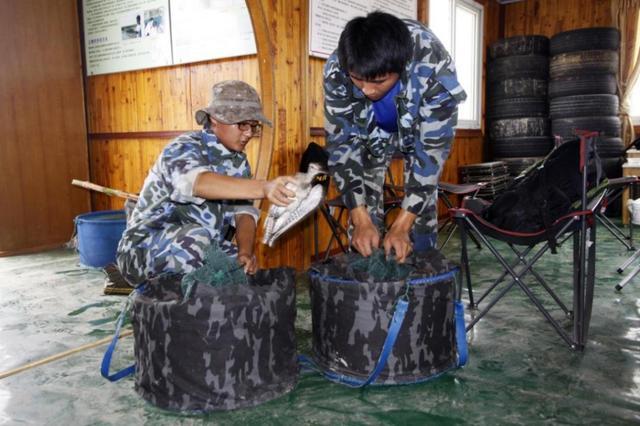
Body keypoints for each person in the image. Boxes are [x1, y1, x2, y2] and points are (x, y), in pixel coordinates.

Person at [116, 80, 297, 286]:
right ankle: (170, 297)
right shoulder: (183, 148)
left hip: (198, 246)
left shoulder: (239, 163)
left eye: (253, 126)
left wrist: (245, 252)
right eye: (242, 124)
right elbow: (199, 183)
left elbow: (244, 213)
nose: (248, 133)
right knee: (196, 241)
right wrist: (264, 187)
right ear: (215, 119)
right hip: (142, 250)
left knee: (241, 270)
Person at [323, 11, 466, 263]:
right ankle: (368, 283)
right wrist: (360, 217)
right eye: (357, 80)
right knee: (363, 217)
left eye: (378, 81)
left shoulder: (433, 65)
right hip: (369, 129)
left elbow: (430, 154)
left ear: (400, 69)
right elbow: (342, 146)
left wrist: (402, 225)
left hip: (418, 127)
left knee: (419, 215)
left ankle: (421, 273)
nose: (367, 90)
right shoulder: (338, 69)